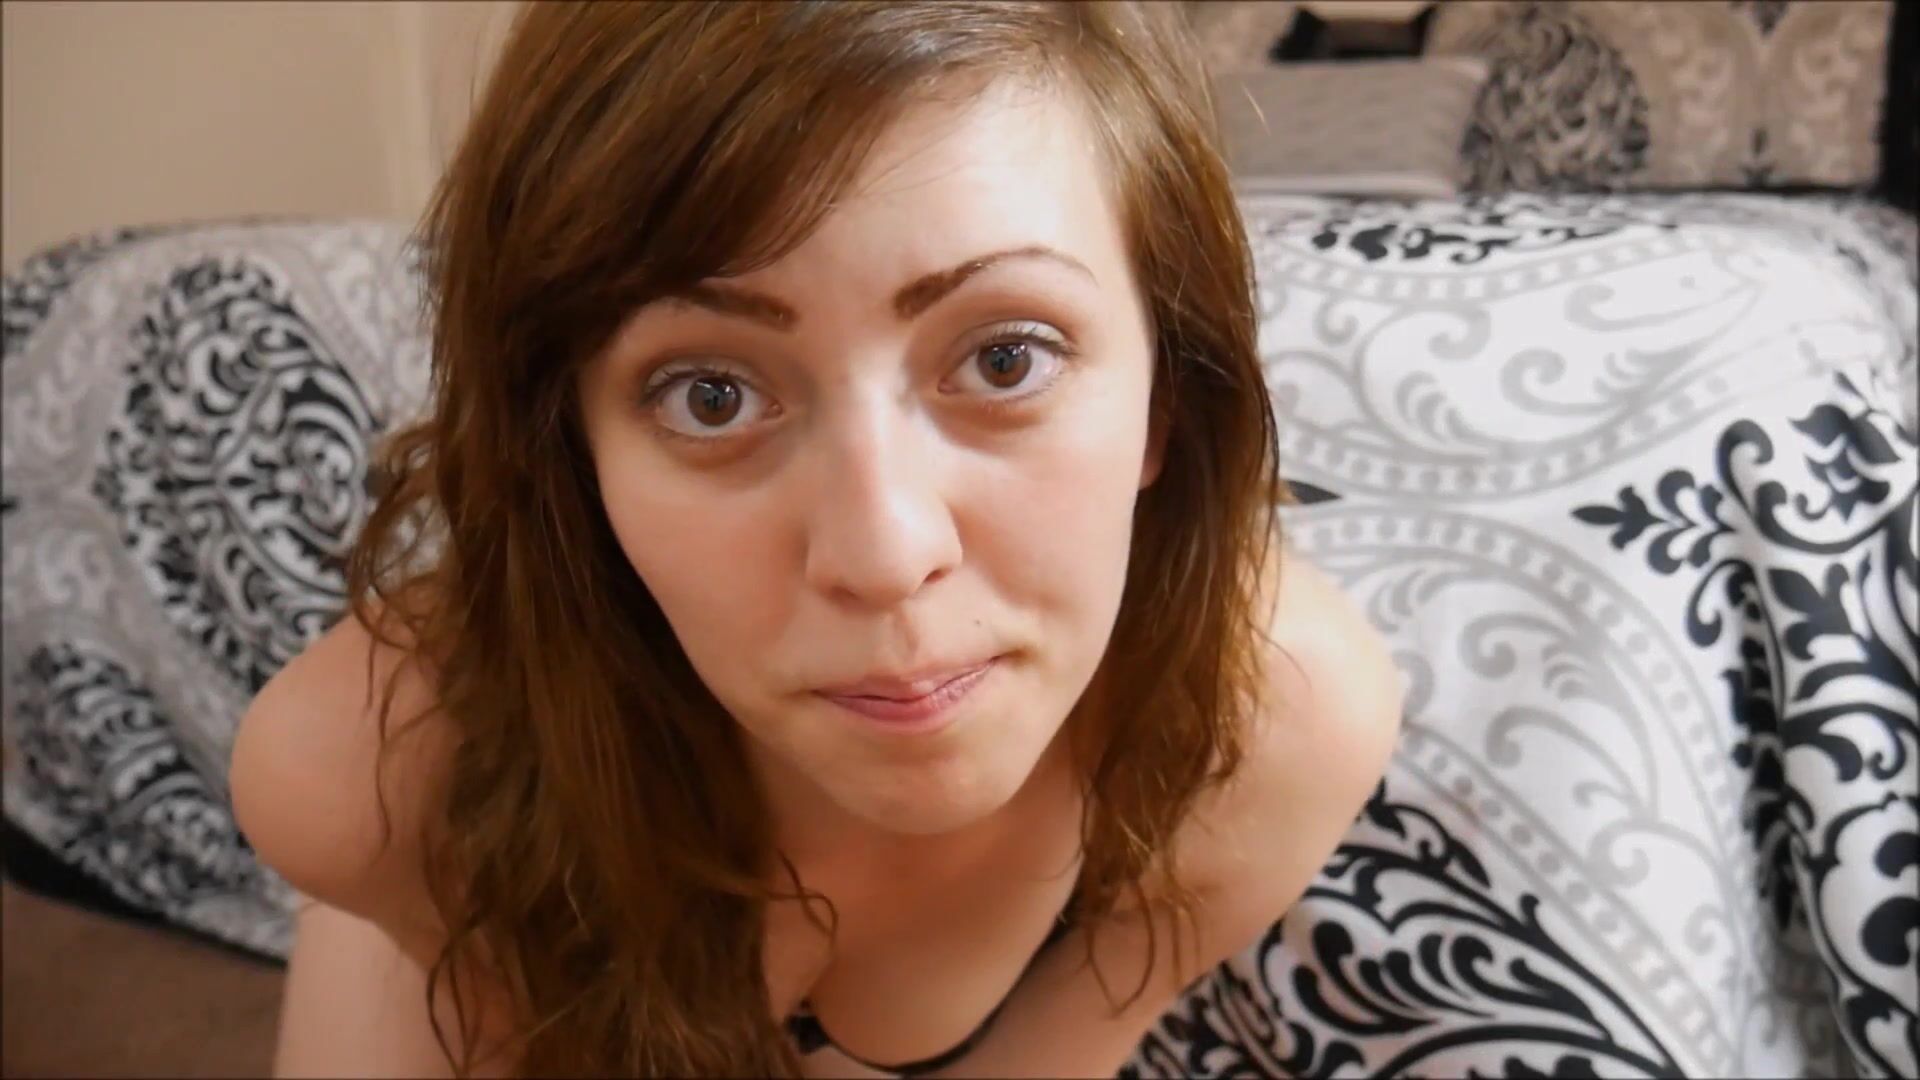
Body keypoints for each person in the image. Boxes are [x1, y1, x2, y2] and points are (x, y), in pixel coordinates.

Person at [228, 2, 1404, 1076]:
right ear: (574, 451)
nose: (884, 557)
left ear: (1167, 402)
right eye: (712, 397)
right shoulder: (371, 777)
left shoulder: (1276, 723)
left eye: (1005, 359)